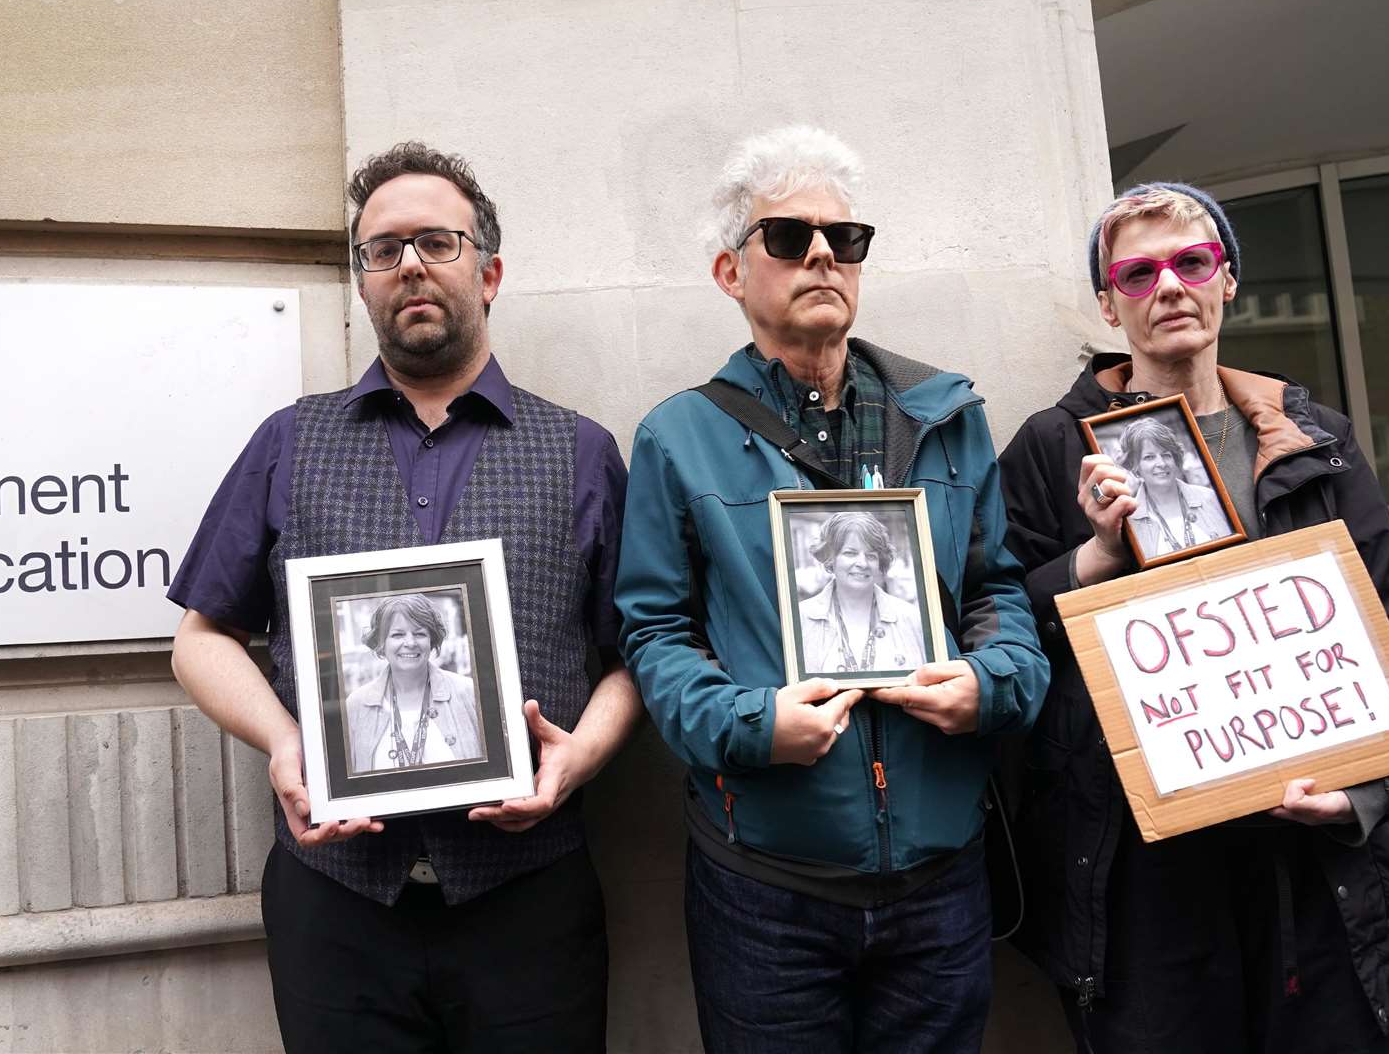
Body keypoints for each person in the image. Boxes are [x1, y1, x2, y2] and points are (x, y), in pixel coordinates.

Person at [168, 141, 642, 1053]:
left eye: (437, 241)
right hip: (337, 905)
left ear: (490, 270)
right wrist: (285, 741)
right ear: (362, 283)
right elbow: (201, 637)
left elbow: (635, 657)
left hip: (528, 901)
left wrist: (577, 757)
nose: (410, 265)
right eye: (382, 250)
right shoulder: (288, 441)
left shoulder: (581, 450)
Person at [615, 124, 1048, 1053]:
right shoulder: (677, 437)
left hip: (941, 875)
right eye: (787, 236)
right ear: (733, 272)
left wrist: (994, 682)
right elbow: (653, 630)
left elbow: (996, 589)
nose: (821, 253)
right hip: (765, 886)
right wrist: (751, 723)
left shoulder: (948, 418)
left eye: (844, 240)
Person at [999, 181, 1389, 1053]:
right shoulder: (1053, 444)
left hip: (1311, 860)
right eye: (1138, 271)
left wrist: (1361, 795)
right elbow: (995, 620)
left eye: (1191, 261)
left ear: (1227, 279)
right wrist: (1093, 561)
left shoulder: (1314, 438)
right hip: (1142, 873)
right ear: (1109, 303)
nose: (1168, 287)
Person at [347, 594, 484, 774]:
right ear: (381, 643)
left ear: (431, 640)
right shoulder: (355, 706)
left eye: (419, 633)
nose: (410, 643)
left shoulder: (469, 693)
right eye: (397, 635)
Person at [797, 512, 926, 674]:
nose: (862, 563)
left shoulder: (912, 618)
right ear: (830, 558)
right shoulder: (800, 619)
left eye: (871, 555)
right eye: (850, 553)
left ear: (880, 562)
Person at [1114, 416, 1234, 556]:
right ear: (1135, 466)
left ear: (1175, 458)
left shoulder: (1211, 498)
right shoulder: (1129, 521)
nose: (1161, 463)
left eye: (1166, 455)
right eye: (1149, 457)